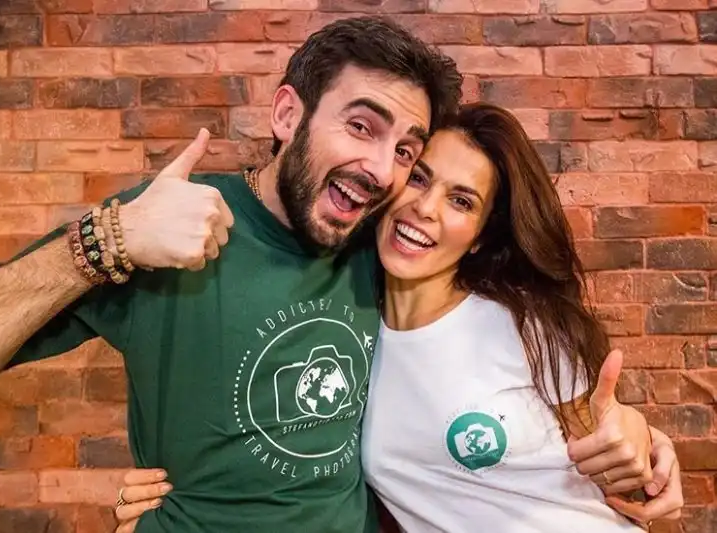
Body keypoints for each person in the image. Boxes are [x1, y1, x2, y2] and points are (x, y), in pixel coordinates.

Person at [112, 104, 684, 533]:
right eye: (419, 178)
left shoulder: (525, 326)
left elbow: (629, 482)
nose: (425, 208)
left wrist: (640, 446)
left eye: (461, 201)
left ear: (480, 236)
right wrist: (179, 498)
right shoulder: (351, 326)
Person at [0, 16, 463, 533]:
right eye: (360, 127)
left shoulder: (382, 245)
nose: (382, 170)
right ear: (287, 115)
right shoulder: (167, 221)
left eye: (404, 151)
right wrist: (111, 238)